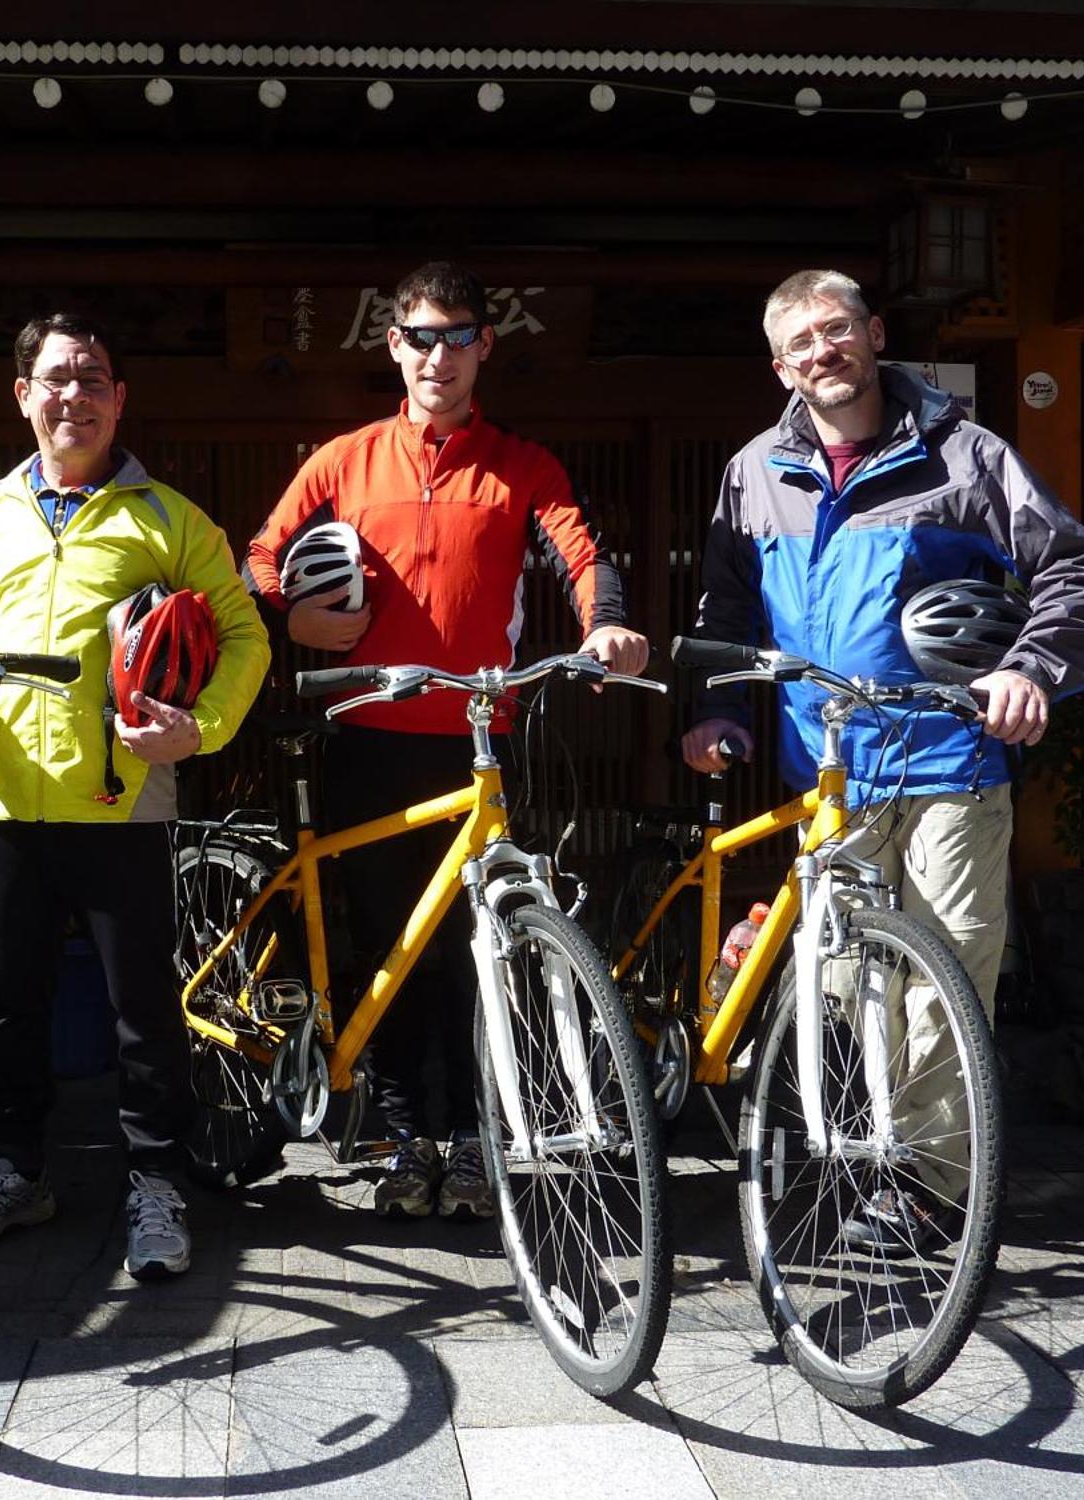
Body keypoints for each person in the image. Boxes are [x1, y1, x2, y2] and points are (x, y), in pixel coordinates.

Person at [681, 268, 1084, 1244]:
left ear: (873, 333)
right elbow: (723, 611)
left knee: (943, 982)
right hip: (825, 770)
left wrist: (1030, 670)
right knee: (852, 987)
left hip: (949, 758)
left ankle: (924, 1189)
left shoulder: (960, 457)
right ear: (777, 364)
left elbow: (1068, 565)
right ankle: (872, 1158)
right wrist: (714, 712)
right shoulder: (755, 471)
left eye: (835, 331)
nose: (820, 353)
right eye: (798, 343)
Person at [0, 313, 268, 1279]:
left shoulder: (168, 518)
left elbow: (243, 633)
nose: (73, 393)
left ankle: (155, 1184)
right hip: (0, 801)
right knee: (8, 1003)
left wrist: (196, 728)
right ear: (24, 397)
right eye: (55, 378)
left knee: (143, 1011)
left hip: (122, 800)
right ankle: (14, 1170)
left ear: (119, 399)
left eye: (92, 378)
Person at [244, 261, 649, 1221]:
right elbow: (261, 556)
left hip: (476, 741)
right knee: (387, 941)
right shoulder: (345, 460)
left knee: (480, 946)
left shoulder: (523, 465)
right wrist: (292, 621)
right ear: (394, 346)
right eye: (419, 337)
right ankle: (399, 1134)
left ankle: (473, 1133)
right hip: (366, 732)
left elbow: (580, 552)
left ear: (483, 346)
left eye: (455, 336)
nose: (437, 354)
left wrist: (607, 626)